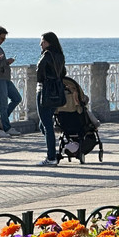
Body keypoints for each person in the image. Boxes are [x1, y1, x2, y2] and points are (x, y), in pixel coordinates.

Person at [36, 31, 66, 166]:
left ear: (49, 42)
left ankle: (51, 156)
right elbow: (63, 72)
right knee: (43, 124)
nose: (41, 44)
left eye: (43, 41)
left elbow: (39, 72)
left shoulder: (47, 55)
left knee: (47, 125)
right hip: (57, 92)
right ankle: (52, 148)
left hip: (44, 91)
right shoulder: (60, 56)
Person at [0, 26, 23, 136]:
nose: (3, 41)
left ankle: (1, 119)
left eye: (4, 39)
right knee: (3, 104)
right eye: (1, 38)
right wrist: (6, 62)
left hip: (5, 78)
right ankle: (7, 127)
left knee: (17, 98)